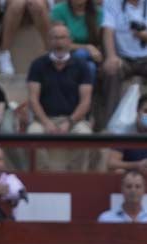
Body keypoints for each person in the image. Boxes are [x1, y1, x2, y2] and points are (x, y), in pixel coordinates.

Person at [25, 23, 94, 171]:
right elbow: (33, 99)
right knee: (33, 134)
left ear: (69, 41)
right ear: (48, 41)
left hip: (75, 120)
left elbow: (85, 101)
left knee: (85, 135)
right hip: (44, 119)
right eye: (55, 38)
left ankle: (76, 177)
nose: (59, 42)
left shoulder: (82, 66)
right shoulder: (38, 65)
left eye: (63, 38)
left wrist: (69, 122)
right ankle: (42, 177)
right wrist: (46, 122)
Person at [100, 0, 147, 118]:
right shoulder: (111, 2)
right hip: (124, 58)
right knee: (111, 70)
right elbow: (108, 30)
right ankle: (110, 122)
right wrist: (111, 56)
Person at [105, 92, 147, 172]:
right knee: (118, 171)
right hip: (129, 177)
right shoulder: (123, 132)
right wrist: (137, 165)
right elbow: (112, 163)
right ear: (138, 111)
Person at [51, 0, 102, 78]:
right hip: (65, 54)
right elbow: (59, 43)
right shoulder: (59, 10)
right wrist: (87, 47)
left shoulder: (98, 12)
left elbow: (100, 43)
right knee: (87, 64)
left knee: (86, 61)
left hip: (92, 55)